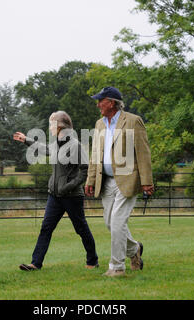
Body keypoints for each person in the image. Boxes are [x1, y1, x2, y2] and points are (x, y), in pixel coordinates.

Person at [13, 111, 99, 271]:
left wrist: (68, 186)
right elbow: (43, 148)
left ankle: (92, 260)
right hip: (55, 196)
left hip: (72, 197)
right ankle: (35, 263)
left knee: (81, 229)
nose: (50, 127)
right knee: (46, 228)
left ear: (60, 126)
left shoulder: (76, 146)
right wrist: (26, 140)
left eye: (52, 124)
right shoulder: (56, 144)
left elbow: (85, 171)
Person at [85, 87, 154, 277]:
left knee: (116, 223)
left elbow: (143, 153)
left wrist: (147, 181)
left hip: (127, 179)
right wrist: (90, 179)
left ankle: (117, 267)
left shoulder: (133, 121)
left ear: (112, 102)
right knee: (110, 223)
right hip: (105, 181)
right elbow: (95, 154)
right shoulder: (99, 124)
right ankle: (134, 250)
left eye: (101, 101)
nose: (98, 104)